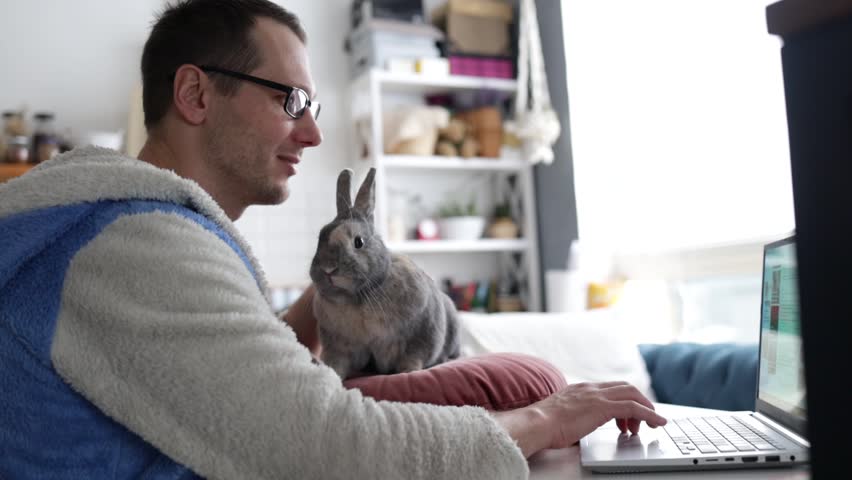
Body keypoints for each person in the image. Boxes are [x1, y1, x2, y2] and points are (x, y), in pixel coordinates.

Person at [0, 1, 666, 478]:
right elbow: (323, 447)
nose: (313, 134)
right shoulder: (136, 241)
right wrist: (548, 418)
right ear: (196, 95)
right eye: (291, 101)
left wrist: (295, 325)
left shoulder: (125, 234)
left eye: (312, 108)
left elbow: (204, 389)